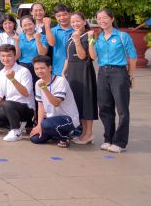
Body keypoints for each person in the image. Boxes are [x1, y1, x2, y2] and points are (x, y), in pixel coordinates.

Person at [88, 8, 137, 153]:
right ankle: (108, 139)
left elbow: (132, 57)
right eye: (99, 19)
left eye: (105, 17)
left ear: (112, 19)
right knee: (104, 107)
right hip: (103, 73)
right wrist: (90, 41)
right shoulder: (98, 38)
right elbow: (93, 57)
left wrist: (130, 76)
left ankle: (120, 142)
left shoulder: (122, 36)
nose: (102, 21)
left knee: (122, 109)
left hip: (119, 73)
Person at [0, 44, 34, 142]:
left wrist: (12, 79)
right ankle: (18, 124)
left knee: (7, 103)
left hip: (25, 108)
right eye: (3, 56)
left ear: (15, 56)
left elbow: (26, 93)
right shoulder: (2, 72)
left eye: (9, 56)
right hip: (9, 108)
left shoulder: (24, 71)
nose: (5, 59)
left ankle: (16, 131)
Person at [61, 12, 97, 145]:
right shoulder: (72, 35)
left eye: (78, 21)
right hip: (72, 72)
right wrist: (64, 71)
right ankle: (83, 133)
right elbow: (68, 56)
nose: (75, 24)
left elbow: (83, 56)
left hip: (83, 71)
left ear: (84, 22)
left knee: (87, 102)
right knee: (78, 102)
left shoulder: (89, 35)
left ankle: (89, 133)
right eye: (73, 22)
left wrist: (77, 41)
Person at [30, 55, 79, 148]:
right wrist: (39, 126)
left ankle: (64, 137)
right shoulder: (38, 83)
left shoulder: (60, 81)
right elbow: (40, 106)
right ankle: (55, 134)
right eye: (36, 69)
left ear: (50, 68)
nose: (39, 71)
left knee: (46, 124)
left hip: (68, 119)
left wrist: (44, 88)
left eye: (42, 68)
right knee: (35, 138)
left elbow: (56, 103)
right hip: (51, 119)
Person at [44, 5, 74, 76]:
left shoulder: (76, 29)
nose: (62, 18)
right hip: (58, 69)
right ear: (55, 17)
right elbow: (51, 43)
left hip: (75, 69)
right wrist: (47, 26)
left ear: (70, 14)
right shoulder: (52, 31)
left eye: (65, 14)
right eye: (58, 16)